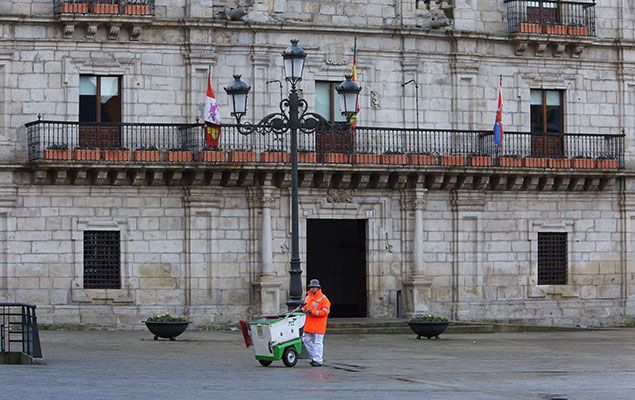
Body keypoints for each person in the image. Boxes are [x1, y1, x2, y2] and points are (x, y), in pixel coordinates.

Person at [301, 279, 331, 367]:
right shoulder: (308, 297)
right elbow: (306, 307)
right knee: (306, 339)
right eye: (311, 287)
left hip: (318, 324)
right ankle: (315, 357)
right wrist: (302, 309)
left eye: (313, 287)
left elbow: (325, 312)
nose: (311, 289)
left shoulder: (323, 298)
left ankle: (318, 360)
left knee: (317, 342)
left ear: (317, 288)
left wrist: (313, 312)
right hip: (310, 323)